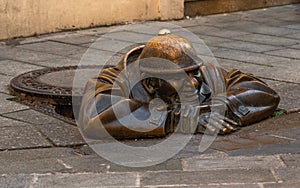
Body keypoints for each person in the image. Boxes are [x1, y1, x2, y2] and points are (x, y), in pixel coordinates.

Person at [79, 31, 280, 139]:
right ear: (151, 83)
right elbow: (93, 117)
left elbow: (263, 92)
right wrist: (176, 119)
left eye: (193, 72)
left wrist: (219, 108)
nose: (193, 81)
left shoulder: (205, 72)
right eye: (181, 77)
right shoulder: (113, 80)